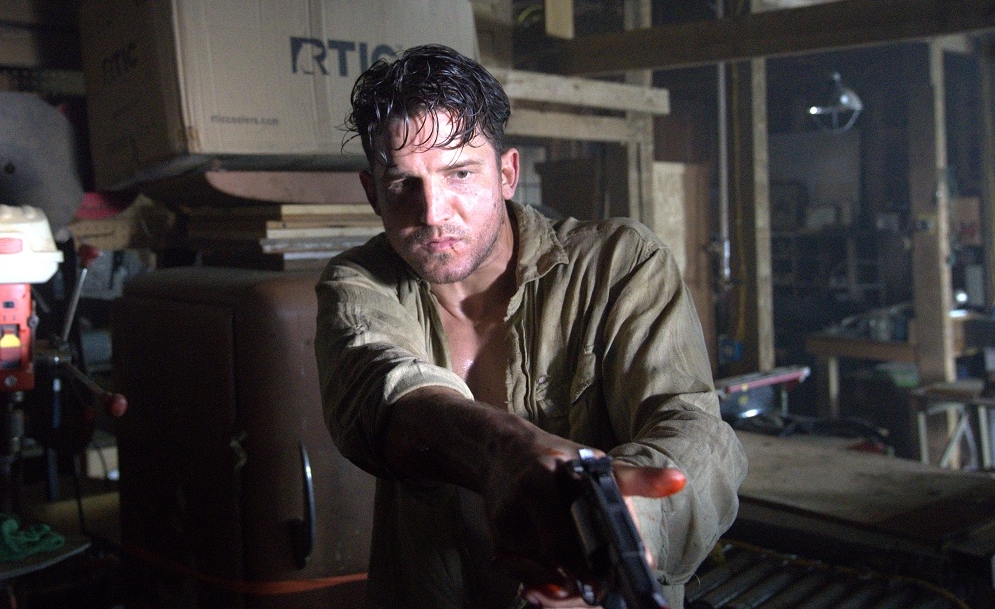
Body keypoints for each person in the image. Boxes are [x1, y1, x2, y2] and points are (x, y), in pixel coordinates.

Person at [314, 44, 746, 609]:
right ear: (373, 193)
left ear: (507, 174)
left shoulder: (620, 264)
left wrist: (632, 519)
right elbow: (381, 395)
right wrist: (506, 452)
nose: (434, 212)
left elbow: (692, 426)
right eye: (402, 184)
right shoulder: (360, 281)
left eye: (459, 173)